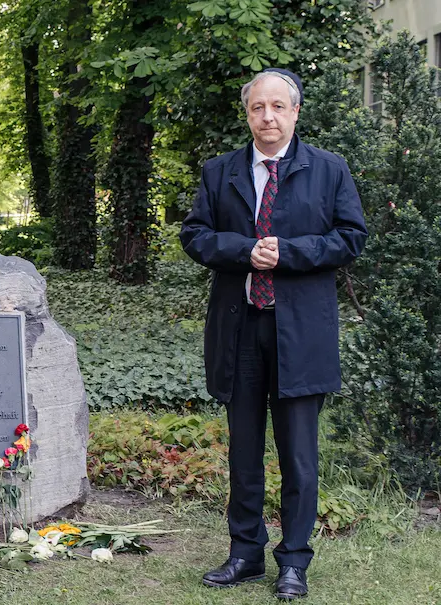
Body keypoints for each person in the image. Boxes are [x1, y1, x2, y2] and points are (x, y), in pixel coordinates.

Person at [180, 68, 367, 601]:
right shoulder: (221, 171)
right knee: (243, 451)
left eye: (278, 107)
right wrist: (245, 250)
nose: (268, 117)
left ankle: (294, 563)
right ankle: (245, 554)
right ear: (247, 113)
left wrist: (290, 252)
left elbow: (351, 237)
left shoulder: (329, 170)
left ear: (295, 112)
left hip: (300, 332)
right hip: (239, 329)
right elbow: (194, 234)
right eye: (258, 107)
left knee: (299, 456)